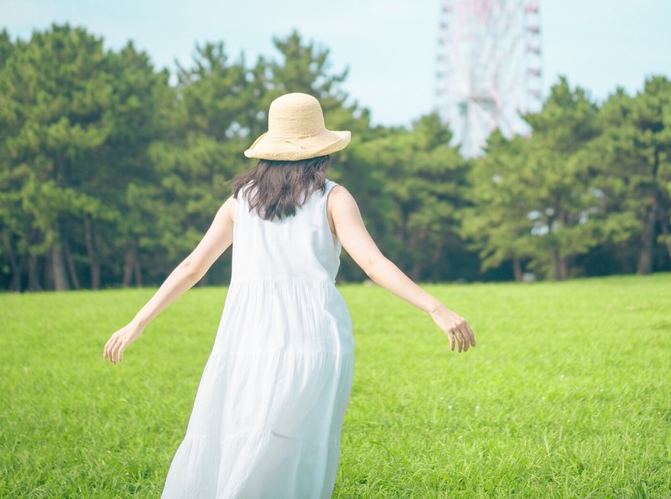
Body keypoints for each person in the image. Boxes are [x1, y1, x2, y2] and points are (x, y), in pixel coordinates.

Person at [104, 92, 475, 498]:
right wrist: (435, 307)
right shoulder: (333, 197)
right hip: (314, 335)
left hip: (247, 334)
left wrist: (137, 322)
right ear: (321, 151)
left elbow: (193, 266)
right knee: (293, 448)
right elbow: (373, 264)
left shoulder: (240, 202)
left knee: (242, 435)